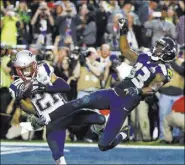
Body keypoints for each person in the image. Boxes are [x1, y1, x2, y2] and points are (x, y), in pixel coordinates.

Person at [32, 18, 177, 152]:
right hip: (114, 93)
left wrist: (138, 90)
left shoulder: (164, 70)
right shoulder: (145, 56)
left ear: (167, 53)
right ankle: (47, 118)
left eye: (160, 47)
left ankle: (123, 135)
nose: (156, 48)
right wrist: (123, 32)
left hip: (124, 105)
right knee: (79, 102)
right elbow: (125, 50)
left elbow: (152, 88)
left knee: (103, 145)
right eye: (158, 45)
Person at [9, 50, 106, 165]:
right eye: (23, 68)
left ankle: (97, 130)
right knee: (58, 157)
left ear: (34, 64)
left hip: (66, 112)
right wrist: (20, 100)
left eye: (29, 67)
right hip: (51, 121)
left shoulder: (44, 68)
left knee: (101, 119)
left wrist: (45, 88)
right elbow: (30, 108)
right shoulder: (16, 86)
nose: (27, 71)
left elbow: (65, 87)